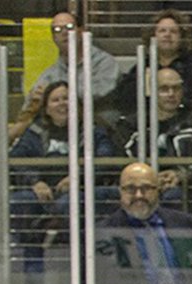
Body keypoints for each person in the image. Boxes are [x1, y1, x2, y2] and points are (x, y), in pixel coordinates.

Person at [10, 82, 117, 273]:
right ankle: (32, 267)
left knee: (70, 204)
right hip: (45, 194)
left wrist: (78, 178)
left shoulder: (94, 130)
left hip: (80, 193)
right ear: (47, 108)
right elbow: (16, 158)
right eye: (55, 100)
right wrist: (35, 181)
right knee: (18, 201)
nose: (62, 104)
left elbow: (105, 159)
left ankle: (80, 264)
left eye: (67, 98)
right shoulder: (35, 131)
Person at [114, 9, 192, 144]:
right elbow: (126, 103)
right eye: (162, 31)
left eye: (173, 32)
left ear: (182, 37)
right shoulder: (143, 66)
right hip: (150, 127)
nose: (167, 35)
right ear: (152, 36)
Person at [9, 11, 121, 144]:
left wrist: (54, 94)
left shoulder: (105, 63)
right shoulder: (52, 71)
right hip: (60, 130)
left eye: (69, 27)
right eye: (57, 30)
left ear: (82, 30)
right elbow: (32, 98)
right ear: (53, 38)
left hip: (101, 130)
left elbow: (100, 91)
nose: (64, 33)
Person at [114, 69, 192, 208]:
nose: (171, 94)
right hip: (137, 190)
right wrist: (149, 178)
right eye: (164, 89)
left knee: (174, 196)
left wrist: (182, 175)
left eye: (176, 88)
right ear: (151, 91)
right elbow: (120, 161)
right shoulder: (130, 125)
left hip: (186, 192)